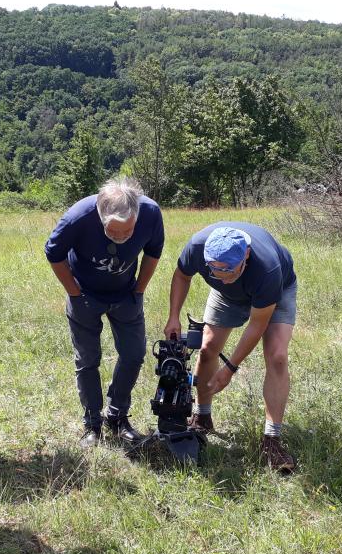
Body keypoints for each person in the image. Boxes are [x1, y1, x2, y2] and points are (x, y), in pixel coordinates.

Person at [164, 223, 298, 472]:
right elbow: (182, 275)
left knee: (277, 356)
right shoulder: (197, 247)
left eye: (228, 270)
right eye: (213, 270)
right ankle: (202, 417)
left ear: (246, 255)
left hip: (275, 291)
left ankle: (272, 440)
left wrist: (230, 368)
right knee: (207, 348)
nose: (221, 276)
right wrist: (174, 316)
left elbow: (257, 326)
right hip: (227, 297)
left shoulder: (267, 269)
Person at [45, 178, 165, 447]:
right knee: (88, 359)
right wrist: (74, 293)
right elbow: (53, 253)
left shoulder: (151, 213)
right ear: (100, 216)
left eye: (128, 232)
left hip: (126, 295)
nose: (121, 238)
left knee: (134, 355)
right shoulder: (79, 216)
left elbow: (153, 252)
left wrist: (139, 291)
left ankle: (117, 416)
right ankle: (92, 424)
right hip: (85, 295)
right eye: (114, 232)